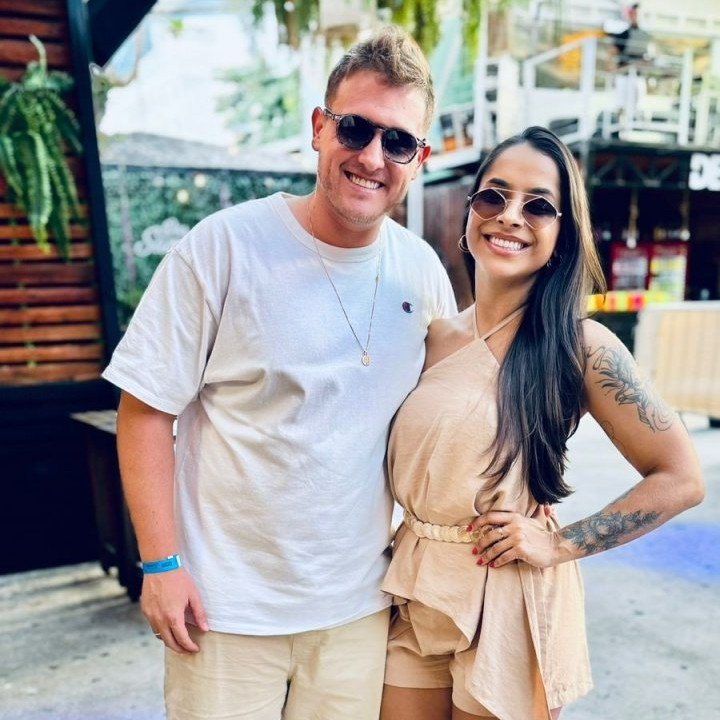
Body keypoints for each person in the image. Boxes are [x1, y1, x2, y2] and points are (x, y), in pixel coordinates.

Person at [102, 26, 457, 720]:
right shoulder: (223, 247)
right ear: (320, 128)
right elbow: (144, 410)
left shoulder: (421, 272)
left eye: (397, 142)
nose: (372, 157)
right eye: (355, 129)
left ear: (419, 159)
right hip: (224, 610)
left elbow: (447, 416)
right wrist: (161, 565)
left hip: (358, 608)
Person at [379, 125, 704, 720]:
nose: (510, 216)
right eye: (494, 196)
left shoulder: (580, 346)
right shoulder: (430, 337)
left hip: (508, 593)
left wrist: (559, 543)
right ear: (470, 211)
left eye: (538, 206)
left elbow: (680, 478)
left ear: (562, 235)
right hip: (417, 583)